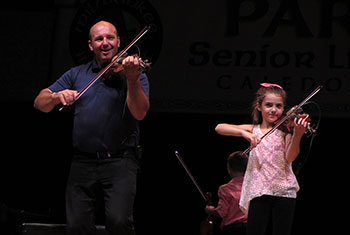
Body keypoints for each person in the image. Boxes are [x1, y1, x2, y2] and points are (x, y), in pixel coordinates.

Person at [34, 20, 150, 235]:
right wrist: (57, 97)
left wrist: (132, 80)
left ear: (118, 42)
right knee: (77, 225)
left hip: (120, 160)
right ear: (90, 45)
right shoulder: (78, 74)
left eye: (110, 38)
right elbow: (40, 102)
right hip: (83, 161)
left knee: (118, 222)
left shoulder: (133, 73)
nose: (105, 43)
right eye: (99, 39)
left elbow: (140, 112)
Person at [215, 83, 309, 235]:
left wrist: (297, 134)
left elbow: (290, 157)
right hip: (260, 190)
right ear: (259, 106)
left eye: (278, 106)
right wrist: (244, 133)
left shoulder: (286, 131)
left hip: (284, 189)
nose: (274, 110)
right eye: (269, 105)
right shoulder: (254, 129)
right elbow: (219, 127)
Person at [205, 151, 248, 235]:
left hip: (233, 230)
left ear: (229, 169)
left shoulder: (225, 189)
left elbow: (221, 212)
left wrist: (210, 210)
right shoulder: (252, 187)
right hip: (250, 229)